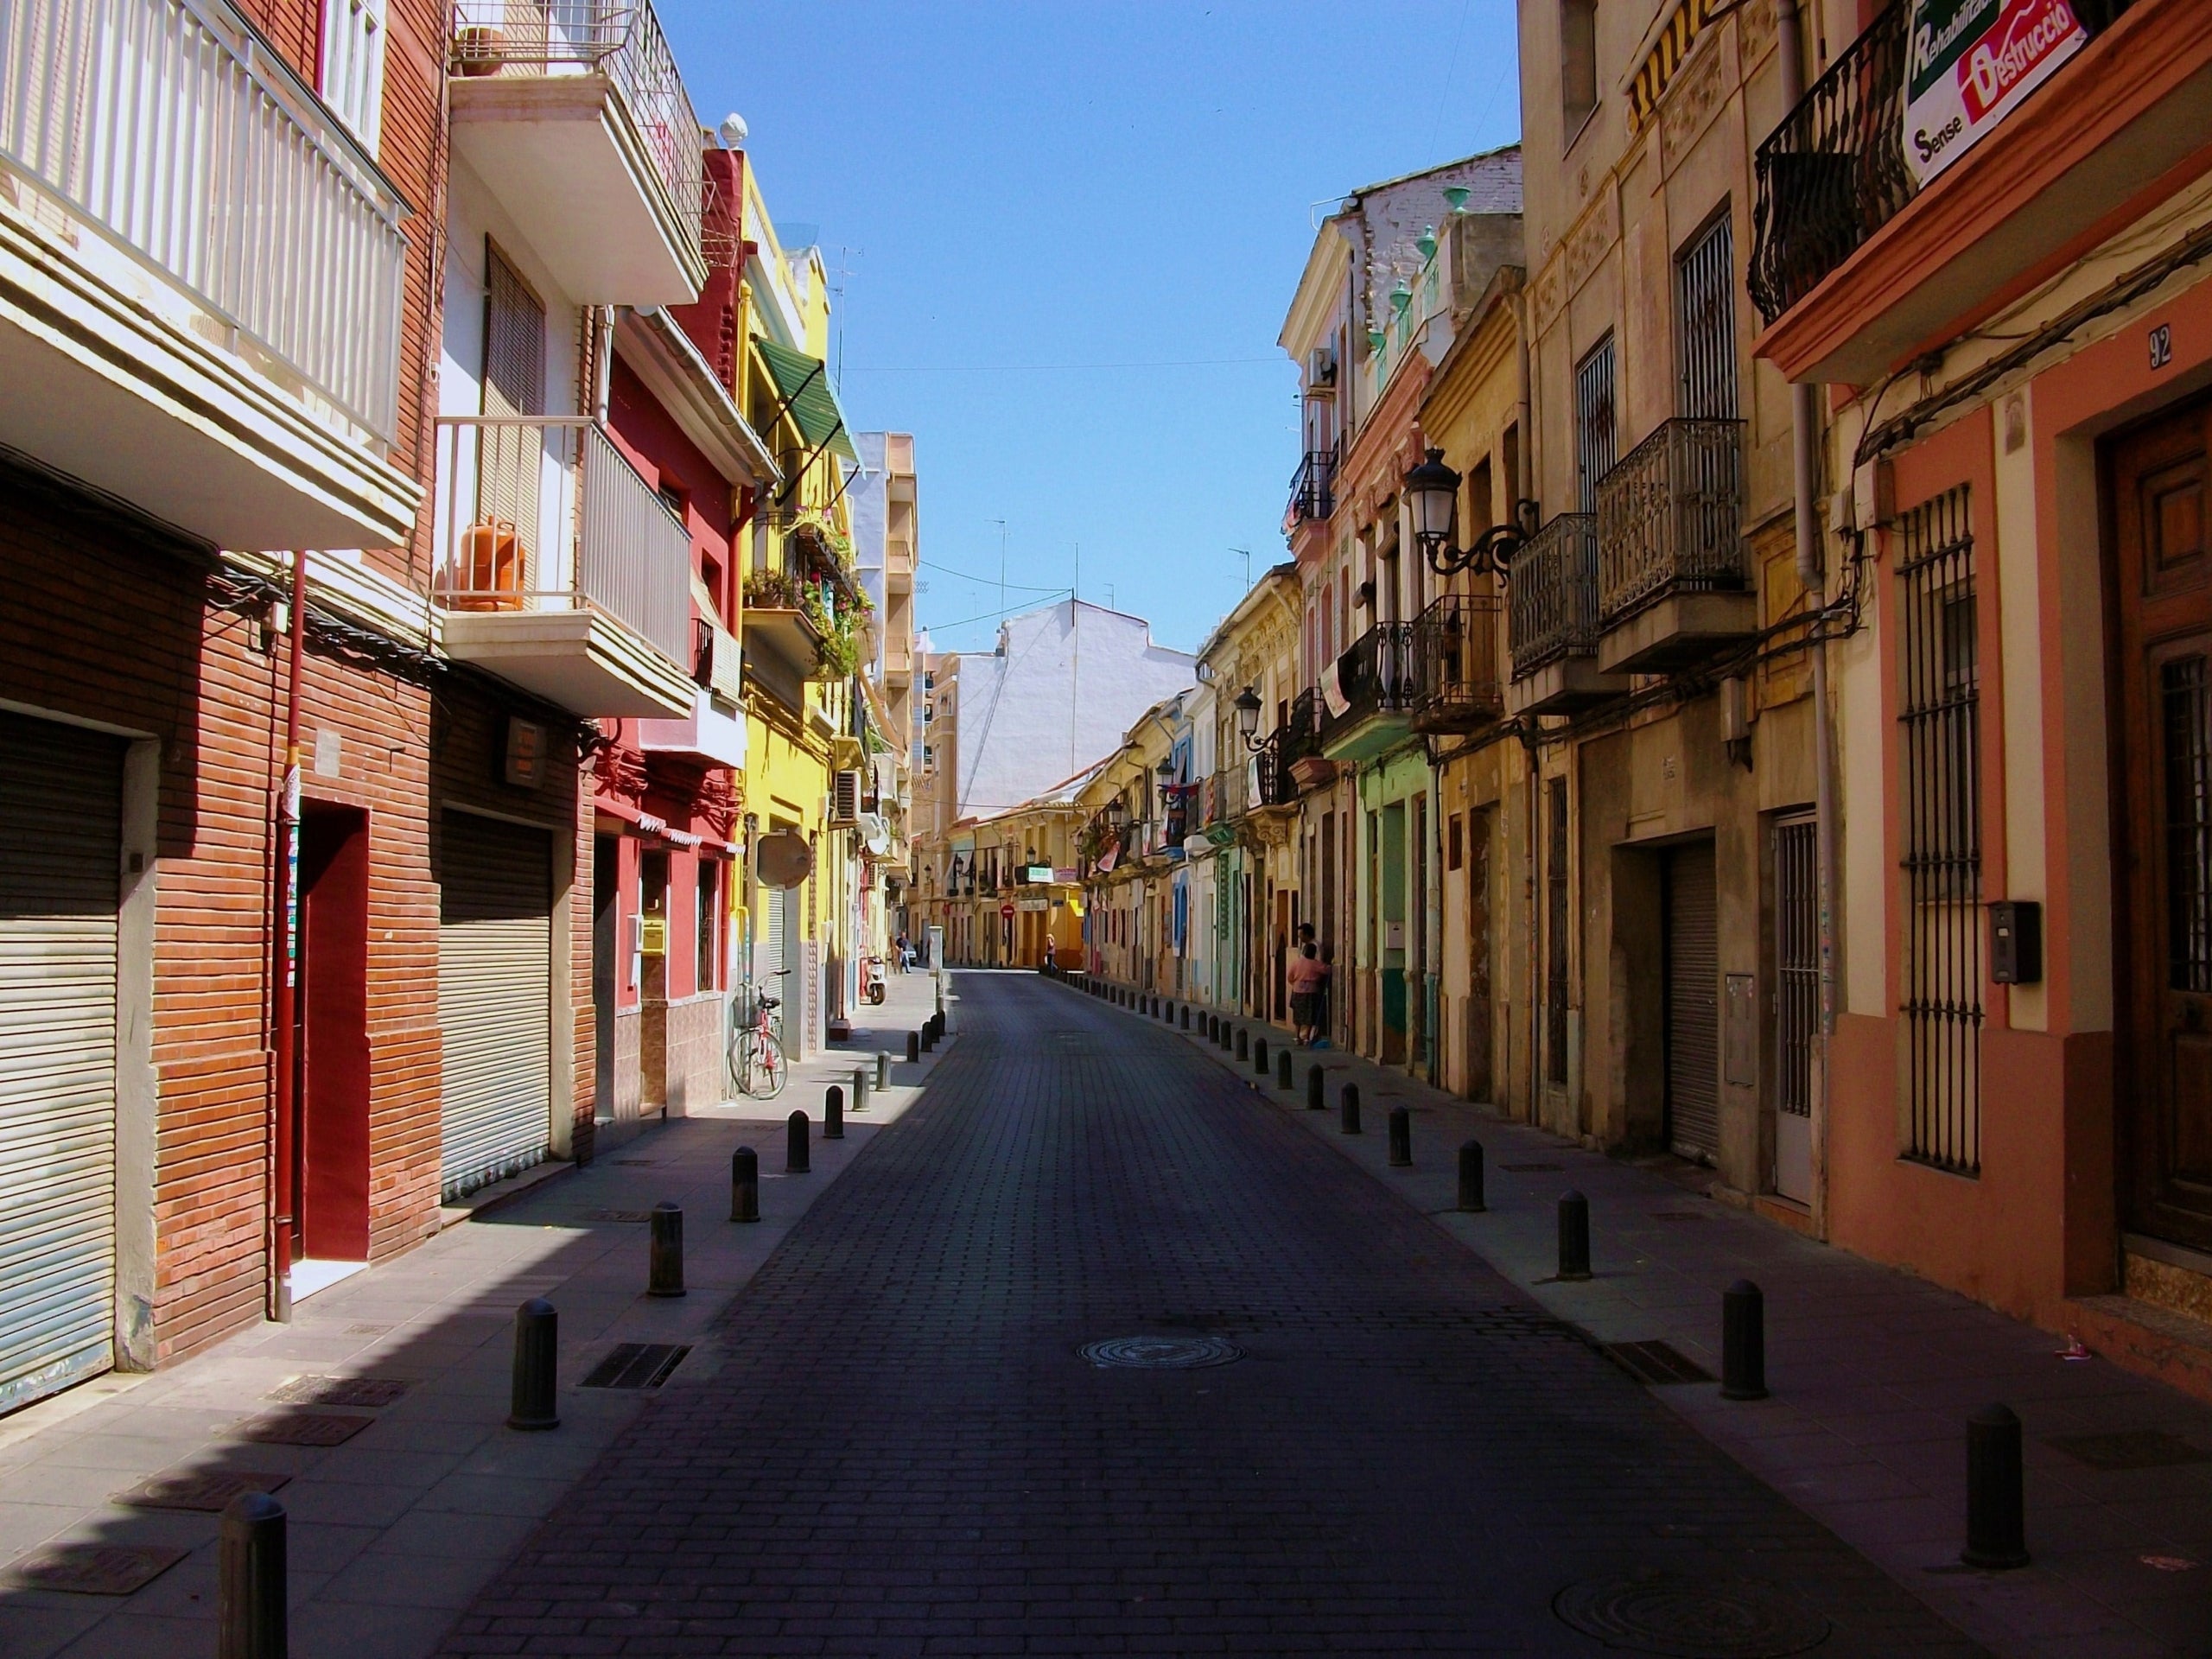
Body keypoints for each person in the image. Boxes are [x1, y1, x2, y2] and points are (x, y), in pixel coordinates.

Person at [1287, 942, 1329, 1048]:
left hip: (1297, 990)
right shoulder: (1315, 964)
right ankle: (1306, 1037)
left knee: (1298, 1014)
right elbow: (1326, 970)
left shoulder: (1297, 963)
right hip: (1311, 991)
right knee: (1310, 1015)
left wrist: (1295, 984)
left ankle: (1297, 1036)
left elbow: (1290, 976)